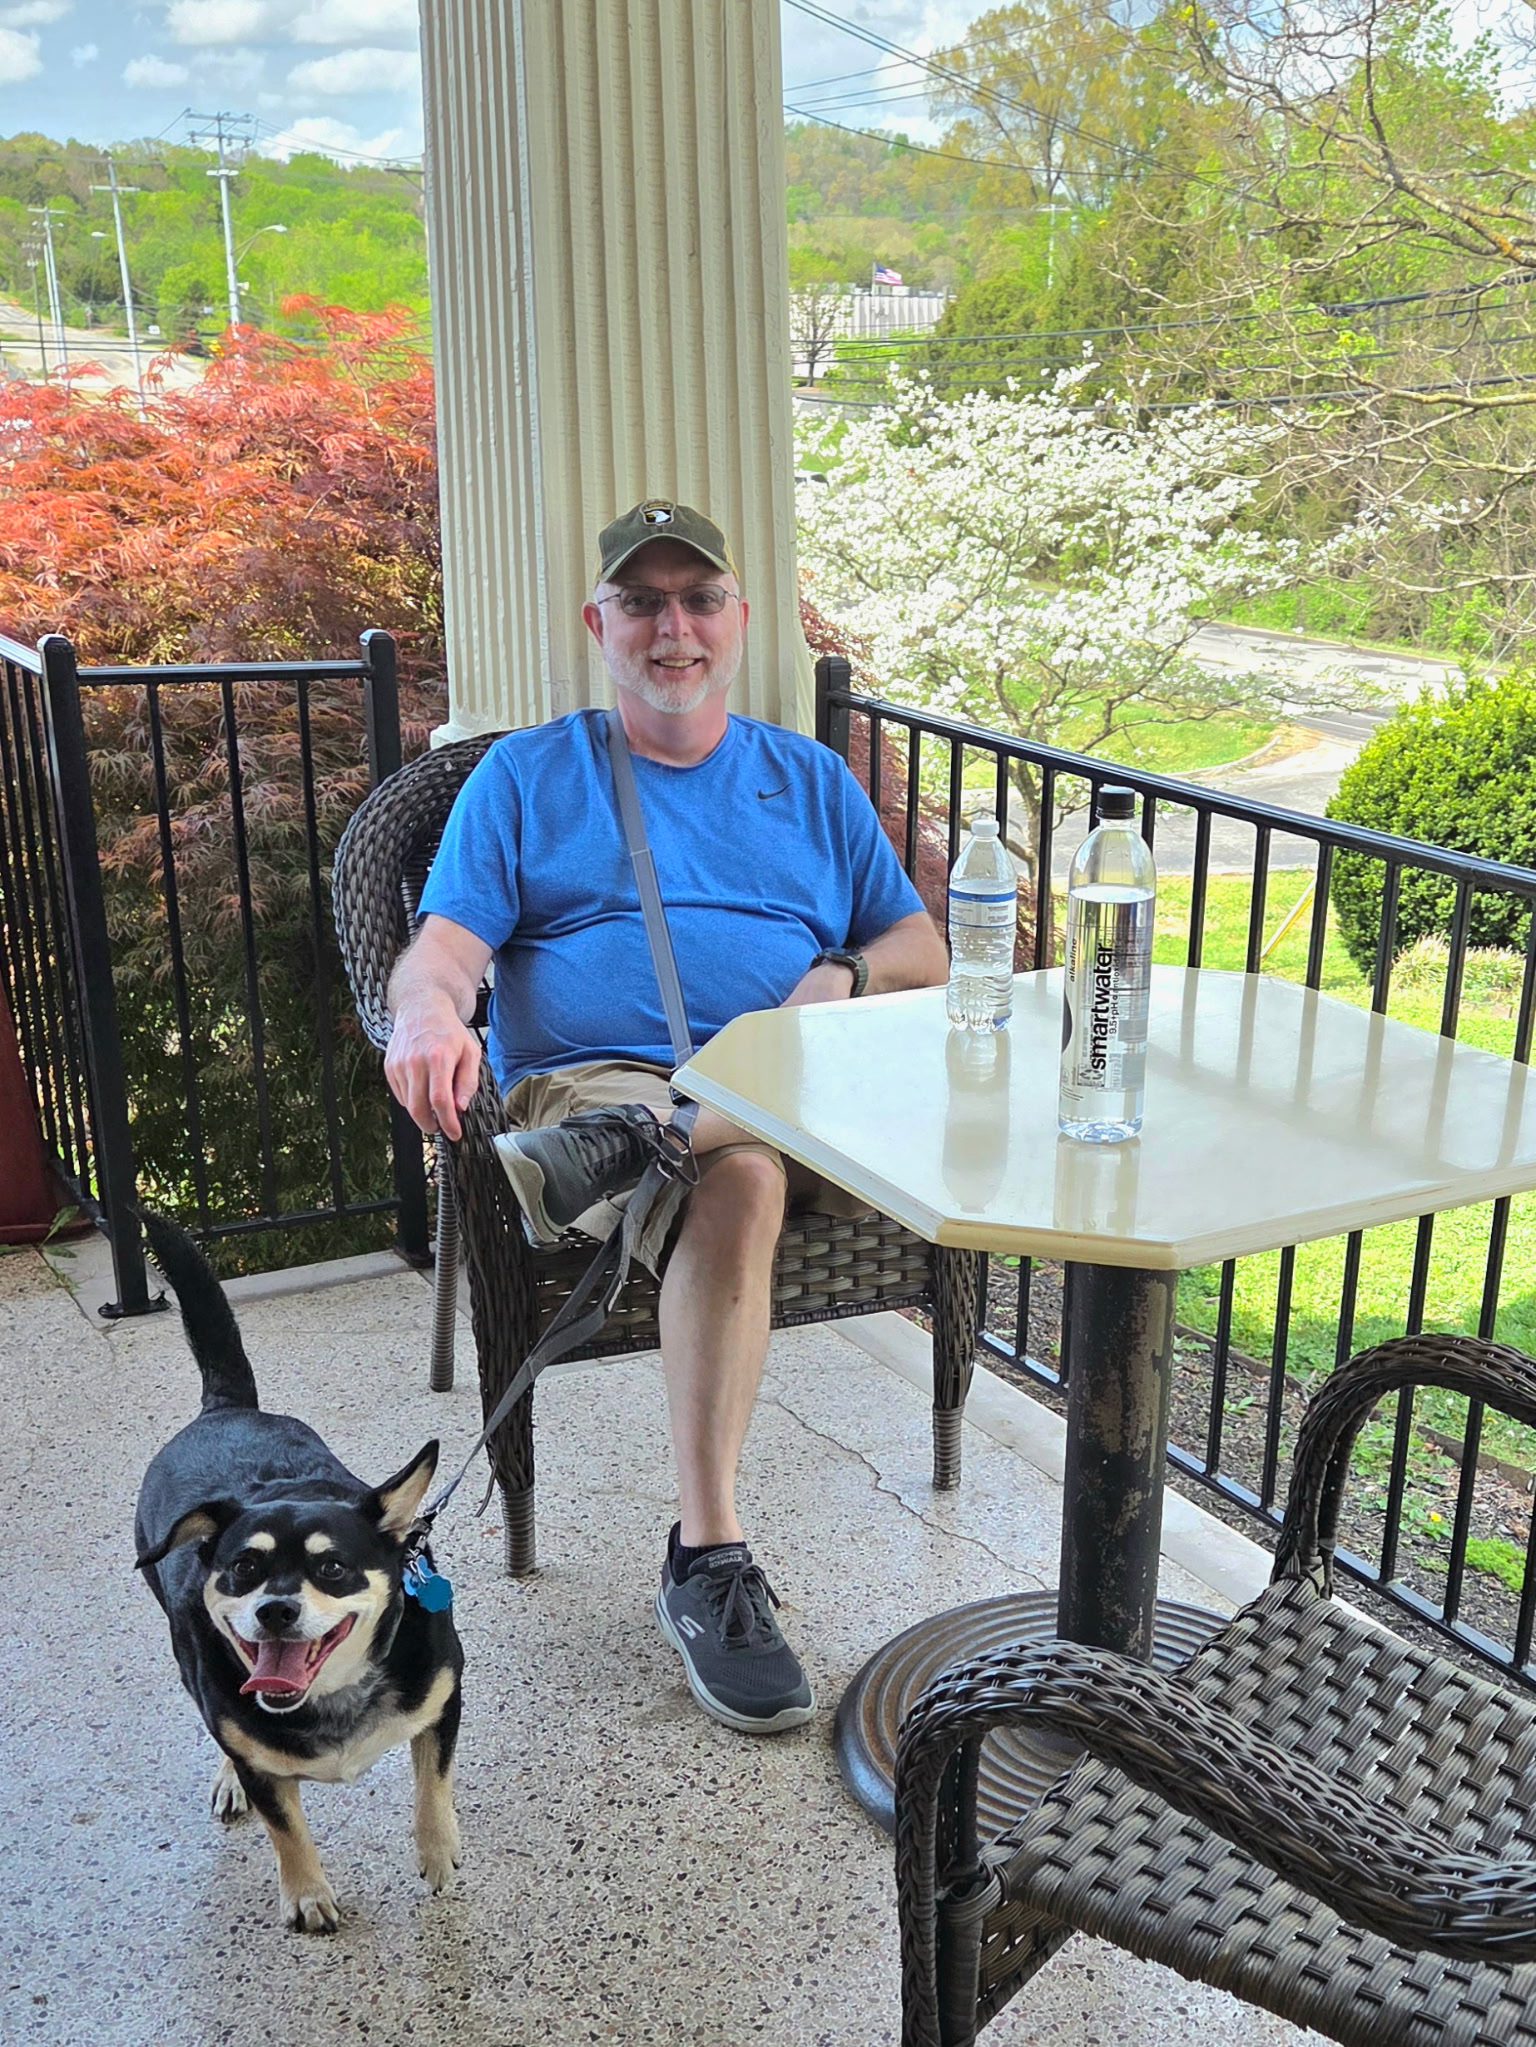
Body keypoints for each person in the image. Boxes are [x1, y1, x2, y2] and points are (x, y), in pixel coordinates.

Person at [384, 496, 948, 1734]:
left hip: (799, 1071)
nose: (673, 629)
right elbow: (440, 953)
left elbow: (918, 943)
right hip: (597, 1078)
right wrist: (425, 1018)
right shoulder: (530, 775)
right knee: (736, 1180)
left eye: (699, 600)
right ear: (601, 624)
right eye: (642, 602)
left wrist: (844, 978)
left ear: (742, 622)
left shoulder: (807, 778)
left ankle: (638, 1156)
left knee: (740, 1138)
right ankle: (709, 1552)